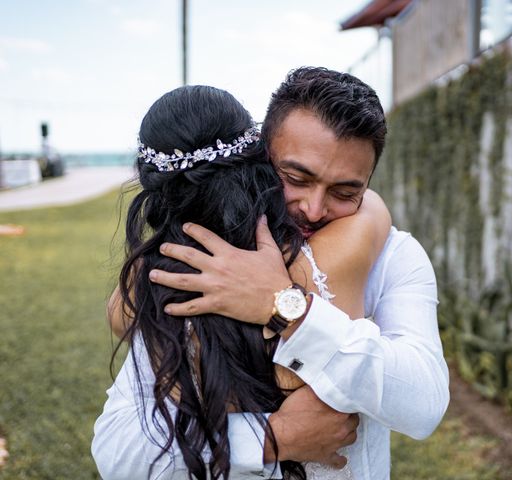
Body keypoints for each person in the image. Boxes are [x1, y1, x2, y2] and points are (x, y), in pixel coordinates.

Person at [95, 67, 450, 479]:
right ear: (260, 158)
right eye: (295, 178)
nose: (313, 210)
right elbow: (119, 454)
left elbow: (423, 404)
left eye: (345, 192)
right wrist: (273, 436)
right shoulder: (198, 266)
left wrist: (285, 307)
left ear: (368, 184)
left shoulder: (394, 255)